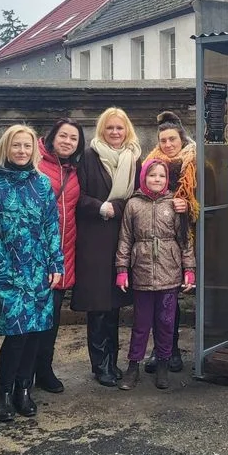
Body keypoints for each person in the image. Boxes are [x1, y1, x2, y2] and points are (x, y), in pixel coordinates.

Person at [0, 125, 64, 422]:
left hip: (38, 269)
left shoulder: (41, 183)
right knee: (16, 335)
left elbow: (50, 227)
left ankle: (24, 389)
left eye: (27, 146)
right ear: (6, 147)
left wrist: (56, 264)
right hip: (7, 270)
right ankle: (3, 393)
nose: (21, 151)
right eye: (16, 145)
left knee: (35, 334)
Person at [73, 107, 142, 387]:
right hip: (94, 238)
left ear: (128, 131)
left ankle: (113, 362)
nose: (115, 132)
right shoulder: (89, 156)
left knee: (114, 304)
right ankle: (100, 364)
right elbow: (76, 196)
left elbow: (140, 195)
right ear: (102, 129)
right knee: (98, 305)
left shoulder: (135, 158)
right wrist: (100, 207)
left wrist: (117, 206)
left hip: (123, 236)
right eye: (110, 128)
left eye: (120, 128)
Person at [115, 159, 196, 390]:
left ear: (166, 179)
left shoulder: (174, 204)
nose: (157, 179)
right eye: (152, 175)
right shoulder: (133, 205)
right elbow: (125, 238)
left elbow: (184, 240)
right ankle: (133, 366)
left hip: (168, 273)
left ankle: (163, 363)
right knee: (140, 324)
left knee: (166, 322)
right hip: (141, 272)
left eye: (161, 176)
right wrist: (122, 269)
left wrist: (189, 269)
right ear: (143, 178)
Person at [143, 111, 198, 374]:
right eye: (163, 140)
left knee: (173, 298)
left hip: (189, 237)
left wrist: (189, 205)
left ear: (181, 138)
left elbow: (208, 196)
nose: (167, 144)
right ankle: (164, 349)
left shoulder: (196, 162)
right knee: (161, 298)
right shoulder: (151, 164)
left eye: (172, 139)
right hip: (159, 241)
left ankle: (174, 348)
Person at [33, 118, 85, 393]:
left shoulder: (73, 170)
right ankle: (23, 374)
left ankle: (44, 369)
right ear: (52, 137)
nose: (67, 141)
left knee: (52, 319)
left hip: (64, 253)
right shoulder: (36, 164)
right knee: (31, 319)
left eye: (73, 138)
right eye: (63, 136)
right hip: (35, 256)